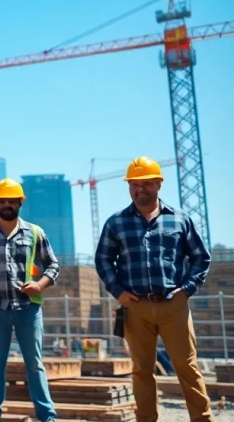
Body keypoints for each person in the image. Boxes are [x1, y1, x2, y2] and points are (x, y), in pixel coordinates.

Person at [94, 156, 212, 422]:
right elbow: (103, 259)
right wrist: (119, 292)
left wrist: (186, 290)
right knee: (142, 370)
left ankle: (203, 420)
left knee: (187, 368)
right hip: (135, 307)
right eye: (134, 185)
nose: (139, 189)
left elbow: (200, 258)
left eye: (146, 184)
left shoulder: (180, 219)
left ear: (159, 184)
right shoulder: (116, 222)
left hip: (174, 305)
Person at [0, 178, 60, 422]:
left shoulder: (35, 233)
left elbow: (52, 264)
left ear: (21, 202)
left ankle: (47, 416)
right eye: (2, 201)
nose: (6, 204)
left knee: (35, 365)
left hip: (28, 309)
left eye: (11, 200)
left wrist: (40, 284)